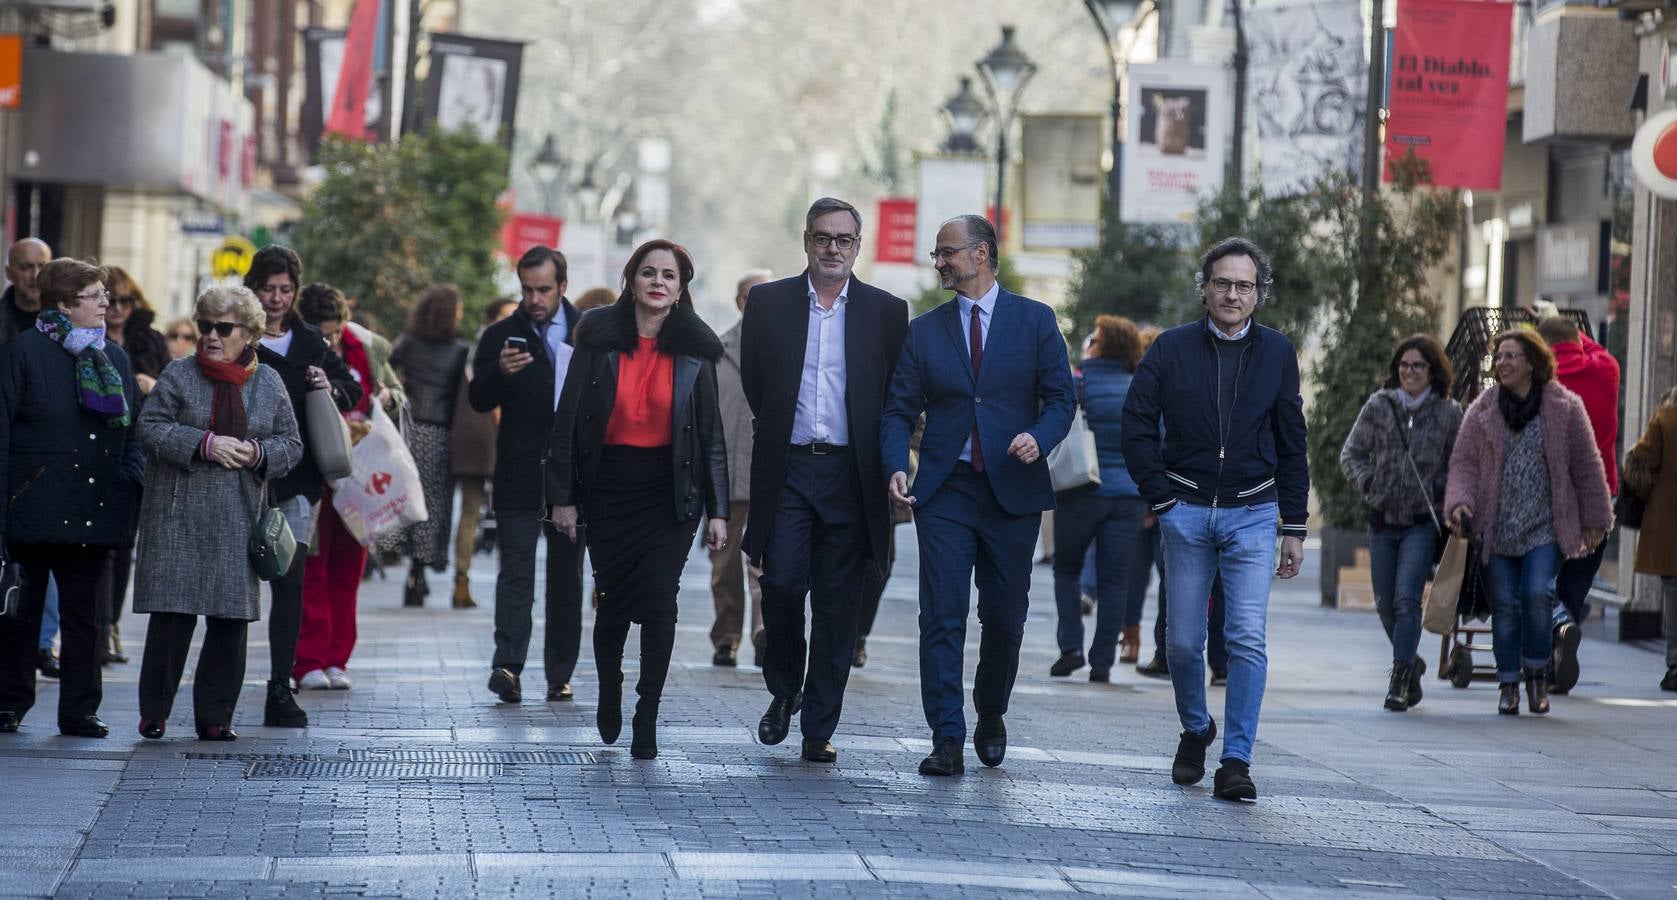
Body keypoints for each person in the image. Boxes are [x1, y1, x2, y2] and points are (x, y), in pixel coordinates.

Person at [881, 214, 1075, 777]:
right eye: (937, 253)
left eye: (948, 252)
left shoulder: (1036, 321)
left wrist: (1038, 439)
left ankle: (991, 710)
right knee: (941, 615)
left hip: (1012, 493)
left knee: (1005, 617)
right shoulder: (925, 331)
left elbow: (1061, 400)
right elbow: (897, 409)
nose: (938, 261)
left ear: (982, 253)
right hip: (945, 492)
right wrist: (897, 464)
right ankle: (946, 735)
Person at [1121, 237, 1309, 803]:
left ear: (1259, 293)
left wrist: (1294, 525)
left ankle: (1236, 759)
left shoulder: (1277, 352)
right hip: (1186, 511)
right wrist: (1161, 500)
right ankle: (1196, 726)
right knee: (1181, 643)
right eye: (1223, 283)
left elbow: (1291, 441)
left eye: (1244, 285)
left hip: (1253, 513)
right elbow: (1135, 425)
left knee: (1246, 637)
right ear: (1204, 288)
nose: (1232, 293)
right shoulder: (1171, 349)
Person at [546, 239, 729, 760]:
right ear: (631, 279)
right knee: (613, 604)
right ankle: (610, 686)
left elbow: (711, 436)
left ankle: (647, 709)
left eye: (668, 276)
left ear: (680, 288)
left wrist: (719, 511)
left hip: (671, 491)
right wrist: (562, 498)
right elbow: (565, 423)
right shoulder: (598, 339)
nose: (657, 282)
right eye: (648, 272)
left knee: (658, 595)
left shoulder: (696, 349)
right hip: (608, 488)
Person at [742, 199, 909, 764]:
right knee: (783, 584)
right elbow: (756, 382)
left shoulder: (887, 312)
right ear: (806, 240)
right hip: (788, 468)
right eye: (823, 238)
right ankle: (784, 685)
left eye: (844, 239)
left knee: (839, 606)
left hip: (851, 474)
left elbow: (894, 398)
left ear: (858, 246)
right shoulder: (767, 304)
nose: (833, 248)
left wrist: (891, 464)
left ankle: (818, 726)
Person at [134, 286, 303, 740]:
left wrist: (255, 452)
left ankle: (215, 716)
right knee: (172, 615)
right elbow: (149, 428)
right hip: (178, 515)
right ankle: (155, 711)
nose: (210, 335)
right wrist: (204, 443)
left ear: (249, 333)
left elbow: (292, 445)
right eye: (204, 325)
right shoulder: (179, 374)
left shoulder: (269, 382)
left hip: (238, 516)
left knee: (230, 620)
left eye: (222, 328)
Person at [0, 258, 144, 738]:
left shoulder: (114, 357)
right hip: (35, 502)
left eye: (104, 294)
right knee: (22, 613)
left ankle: (80, 710)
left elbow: (133, 432)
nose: (107, 302)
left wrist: (128, 477)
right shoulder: (25, 351)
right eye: (94, 295)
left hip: (94, 503)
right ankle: (10, 702)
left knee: (88, 618)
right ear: (63, 303)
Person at [1445, 329, 1611, 716]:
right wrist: (1459, 504)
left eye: (1511, 356)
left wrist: (1597, 517)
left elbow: (1587, 466)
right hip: (1494, 529)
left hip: (1545, 527)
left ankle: (1537, 676)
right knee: (1505, 607)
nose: (1502, 363)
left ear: (1533, 363)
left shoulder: (1565, 408)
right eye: (1498, 356)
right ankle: (1508, 685)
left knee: (1538, 594)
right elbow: (1464, 464)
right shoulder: (1482, 409)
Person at [246, 245, 362, 726]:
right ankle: (226, 685)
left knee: (290, 579)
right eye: (268, 289)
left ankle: (282, 682)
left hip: (299, 479)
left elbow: (351, 387)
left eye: (285, 290)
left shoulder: (310, 339)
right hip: (243, 475)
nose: (276, 299)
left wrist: (327, 385)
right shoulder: (237, 334)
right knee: (237, 584)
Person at [469, 246, 583, 704]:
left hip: (572, 477)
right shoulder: (501, 334)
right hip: (517, 471)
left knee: (565, 578)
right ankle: (508, 666)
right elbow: (478, 398)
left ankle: (559, 672)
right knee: (515, 574)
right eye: (527, 290)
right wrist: (499, 374)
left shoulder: (587, 331)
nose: (534, 299)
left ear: (562, 286)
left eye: (543, 289)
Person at [1339, 334, 1463, 711]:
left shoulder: (1448, 412)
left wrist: (1442, 494)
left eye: (1418, 366)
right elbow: (1352, 453)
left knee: (1407, 599)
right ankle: (1412, 663)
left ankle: (1399, 678)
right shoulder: (1380, 406)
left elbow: (1459, 464)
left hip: (1420, 521)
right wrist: (1369, 482)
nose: (1409, 372)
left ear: (1433, 371)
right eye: (1404, 365)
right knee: (1384, 604)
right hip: (1381, 518)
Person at [290, 283, 388, 691]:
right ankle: (309, 658)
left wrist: (385, 398)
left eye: (334, 333)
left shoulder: (367, 348)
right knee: (312, 566)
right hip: (313, 470)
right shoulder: (301, 346)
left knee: (349, 568)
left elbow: (394, 392)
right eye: (322, 333)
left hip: (358, 471)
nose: (329, 341)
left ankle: (336, 658)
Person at [1050, 316, 1147, 683]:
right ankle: (1103, 661)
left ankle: (1071, 646)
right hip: (1128, 497)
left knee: (1067, 569)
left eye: (1094, 337)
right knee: (1115, 580)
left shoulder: (1078, 384)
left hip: (1081, 490)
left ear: (1101, 346)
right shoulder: (1140, 388)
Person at [1535, 316, 1619, 694]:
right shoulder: (1607, 370)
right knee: (1576, 579)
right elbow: (1596, 350)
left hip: (1553, 494)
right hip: (1600, 492)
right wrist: (1576, 332)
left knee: (1540, 576)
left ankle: (1559, 625)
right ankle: (1560, 645)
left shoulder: (1543, 382)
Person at [94, 266, 170, 667]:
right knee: (99, 546)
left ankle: (110, 624)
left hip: (137, 450)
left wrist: (150, 384)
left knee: (123, 543)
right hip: (96, 448)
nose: (119, 309)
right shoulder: (88, 337)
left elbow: (169, 393)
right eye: (112, 300)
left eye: (126, 300)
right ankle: (98, 623)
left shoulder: (150, 341)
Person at [2, 239, 63, 682]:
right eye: (26, 266)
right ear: (10, 271)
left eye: (41, 266)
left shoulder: (61, 327)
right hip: (8, 447)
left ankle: (43, 642)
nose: (33, 274)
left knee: (46, 564)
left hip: (46, 459)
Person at [389, 285, 470, 607]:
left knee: (405, 496)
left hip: (408, 430)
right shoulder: (460, 350)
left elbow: (387, 366)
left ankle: (406, 562)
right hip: (440, 433)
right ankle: (421, 568)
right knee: (434, 504)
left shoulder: (408, 343)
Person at [710, 269, 770, 668]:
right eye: (752, 296)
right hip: (727, 477)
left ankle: (764, 634)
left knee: (766, 565)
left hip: (770, 476)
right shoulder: (717, 350)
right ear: (738, 302)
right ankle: (726, 637)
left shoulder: (789, 348)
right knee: (724, 565)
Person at [451, 297, 517, 609]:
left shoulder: (471, 346)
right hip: (490, 436)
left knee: (470, 512)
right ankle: (504, 580)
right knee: (500, 512)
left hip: (467, 438)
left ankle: (461, 582)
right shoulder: (495, 345)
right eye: (507, 314)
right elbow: (491, 397)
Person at [1623, 386, 1677, 690]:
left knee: (1674, 593)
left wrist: (1649, 493)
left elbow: (1638, 465)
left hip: (1670, 524)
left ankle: (1675, 666)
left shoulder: (1666, 418)